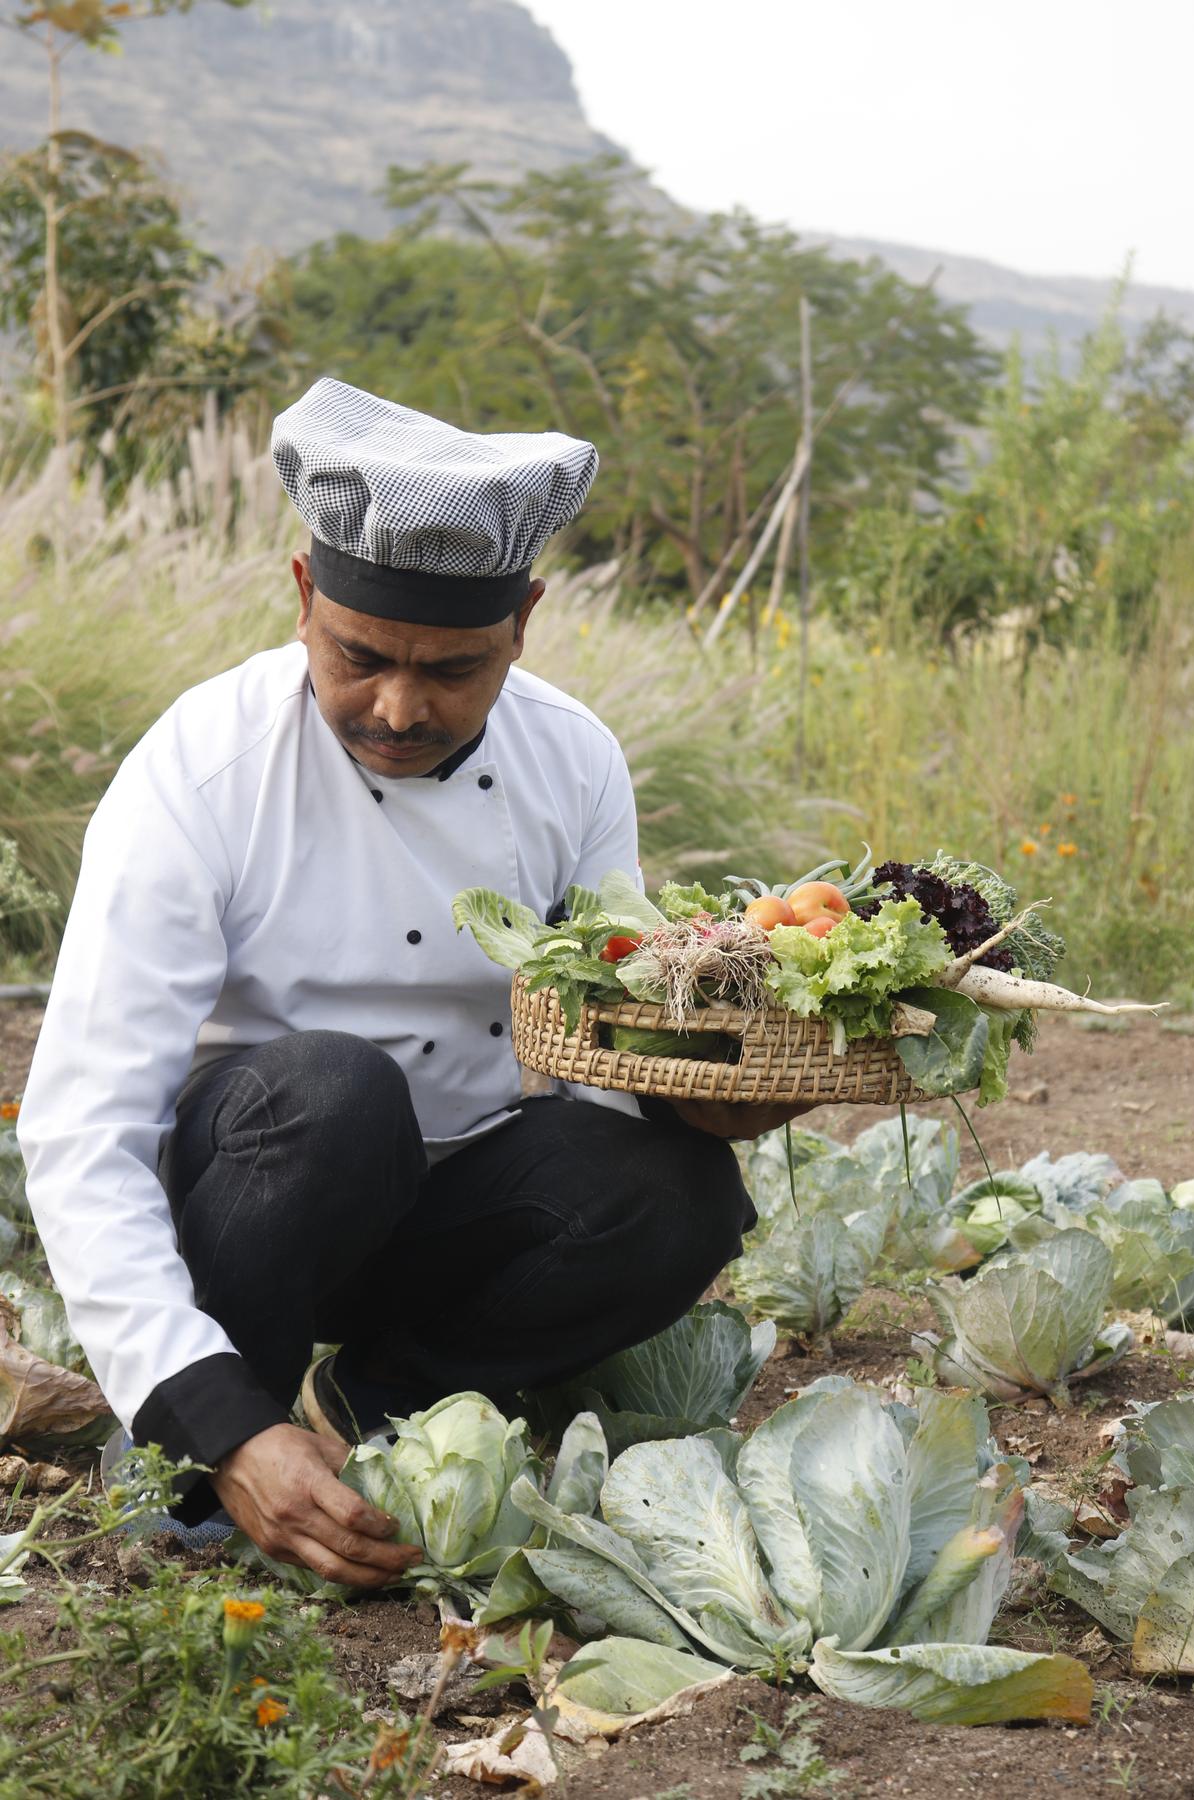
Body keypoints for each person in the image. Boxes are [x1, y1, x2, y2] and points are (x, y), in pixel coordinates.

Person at [18, 379, 810, 1589]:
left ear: (524, 624)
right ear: (302, 597)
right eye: (362, 656)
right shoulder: (203, 766)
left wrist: (693, 1098)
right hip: (253, 1199)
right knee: (335, 1092)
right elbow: (84, 1128)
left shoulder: (576, 758)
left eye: (452, 670)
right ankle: (199, 1462)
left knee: (678, 1191)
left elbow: (594, 1044)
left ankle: (371, 1406)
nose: (398, 706)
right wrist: (214, 1416)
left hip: (451, 1209)